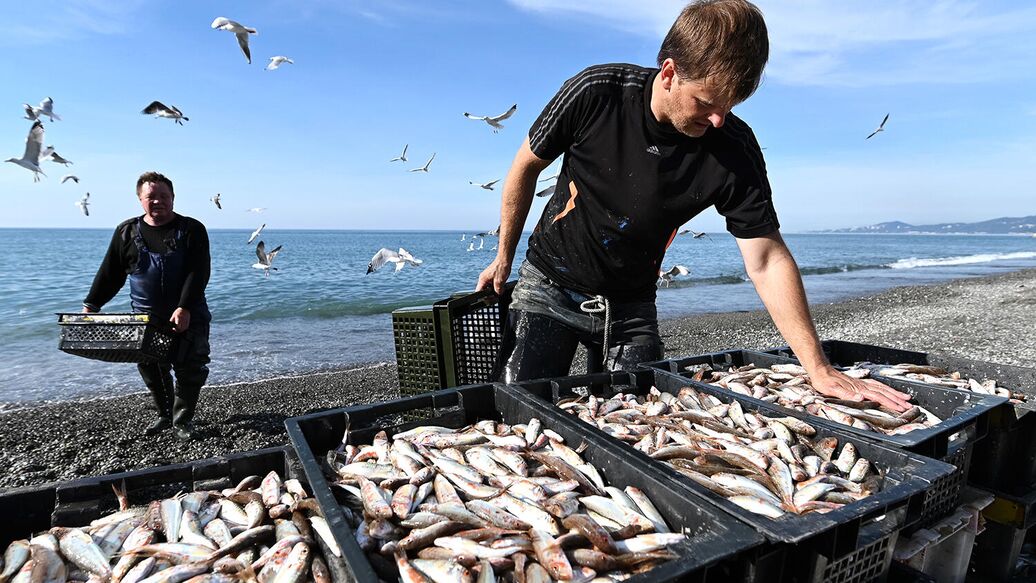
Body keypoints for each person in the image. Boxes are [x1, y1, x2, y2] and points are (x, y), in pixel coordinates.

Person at [477, 0, 911, 411]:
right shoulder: (597, 92)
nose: (718, 119)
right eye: (706, 102)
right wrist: (503, 256)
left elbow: (766, 259)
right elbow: (524, 168)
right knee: (517, 405)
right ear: (669, 72)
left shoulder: (734, 149)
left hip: (631, 304)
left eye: (729, 106)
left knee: (640, 417)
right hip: (549, 284)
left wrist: (818, 367)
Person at [83, 171, 212, 439]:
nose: (158, 201)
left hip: (190, 313)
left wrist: (185, 306)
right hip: (146, 318)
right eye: (151, 196)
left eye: (164, 196)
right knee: (151, 367)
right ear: (140, 199)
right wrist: (92, 305)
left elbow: (199, 271)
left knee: (191, 366)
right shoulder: (127, 232)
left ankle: (182, 421)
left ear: (173, 198)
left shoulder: (191, 229)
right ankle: (165, 415)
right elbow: (111, 272)